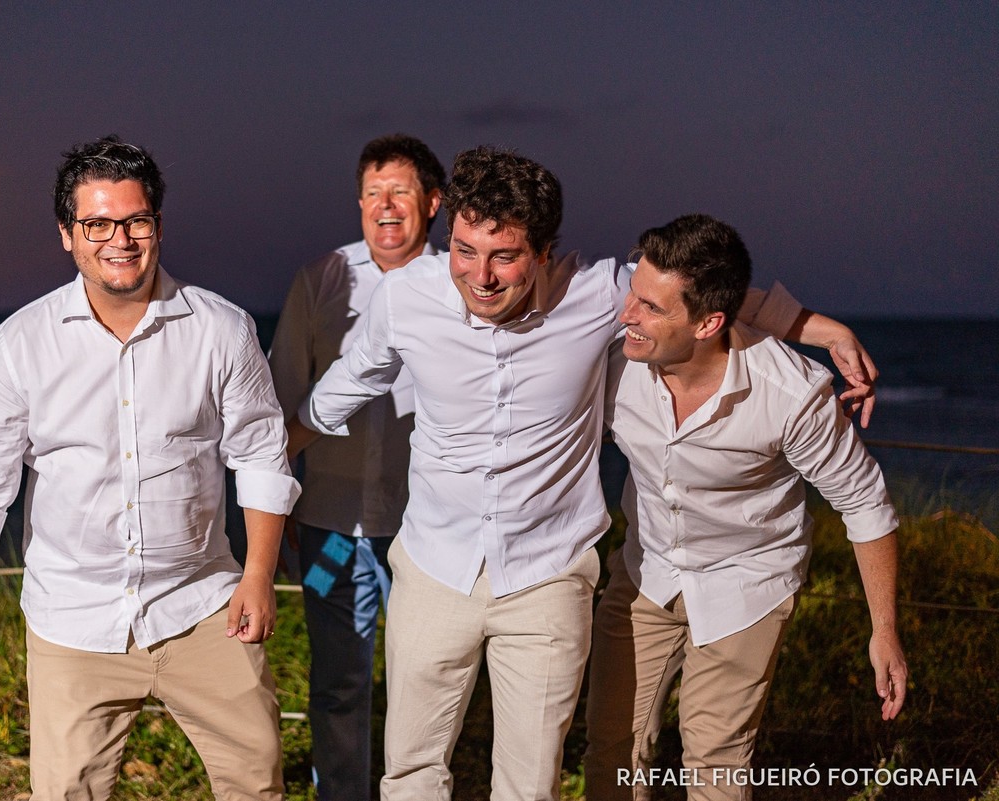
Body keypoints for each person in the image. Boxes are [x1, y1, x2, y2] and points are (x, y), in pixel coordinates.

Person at [287, 146, 873, 801]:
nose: (479, 276)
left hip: (547, 577)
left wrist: (827, 330)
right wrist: (281, 447)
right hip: (432, 567)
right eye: (464, 250)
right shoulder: (404, 298)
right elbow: (346, 384)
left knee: (530, 785)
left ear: (542, 254)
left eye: (503, 256)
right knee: (411, 773)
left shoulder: (600, 292)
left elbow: (709, 293)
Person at [0, 135, 299, 801]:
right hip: (72, 619)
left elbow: (262, 458)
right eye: (97, 223)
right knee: (69, 791)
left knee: (256, 777)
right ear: (68, 235)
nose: (119, 238)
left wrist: (258, 575)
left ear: (158, 225)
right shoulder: (21, 343)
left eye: (135, 220)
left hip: (202, 606)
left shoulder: (223, 329)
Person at [583, 214, 906, 801]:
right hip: (645, 572)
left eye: (652, 308)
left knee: (714, 763)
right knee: (610, 750)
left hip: (747, 586)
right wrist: (829, 328)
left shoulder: (792, 395)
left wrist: (884, 631)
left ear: (708, 323)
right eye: (634, 295)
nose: (628, 314)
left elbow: (865, 505)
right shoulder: (615, 358)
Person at [268, 133, 445, 800]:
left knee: (423, 682)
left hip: (424, 532)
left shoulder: (458, 283)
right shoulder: (321, 280)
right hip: (328, 528)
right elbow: (284, 402)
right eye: (371, 194)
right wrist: (277, 507)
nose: (384, 206)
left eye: (399, 191)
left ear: (433, 201)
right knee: (337, 681)